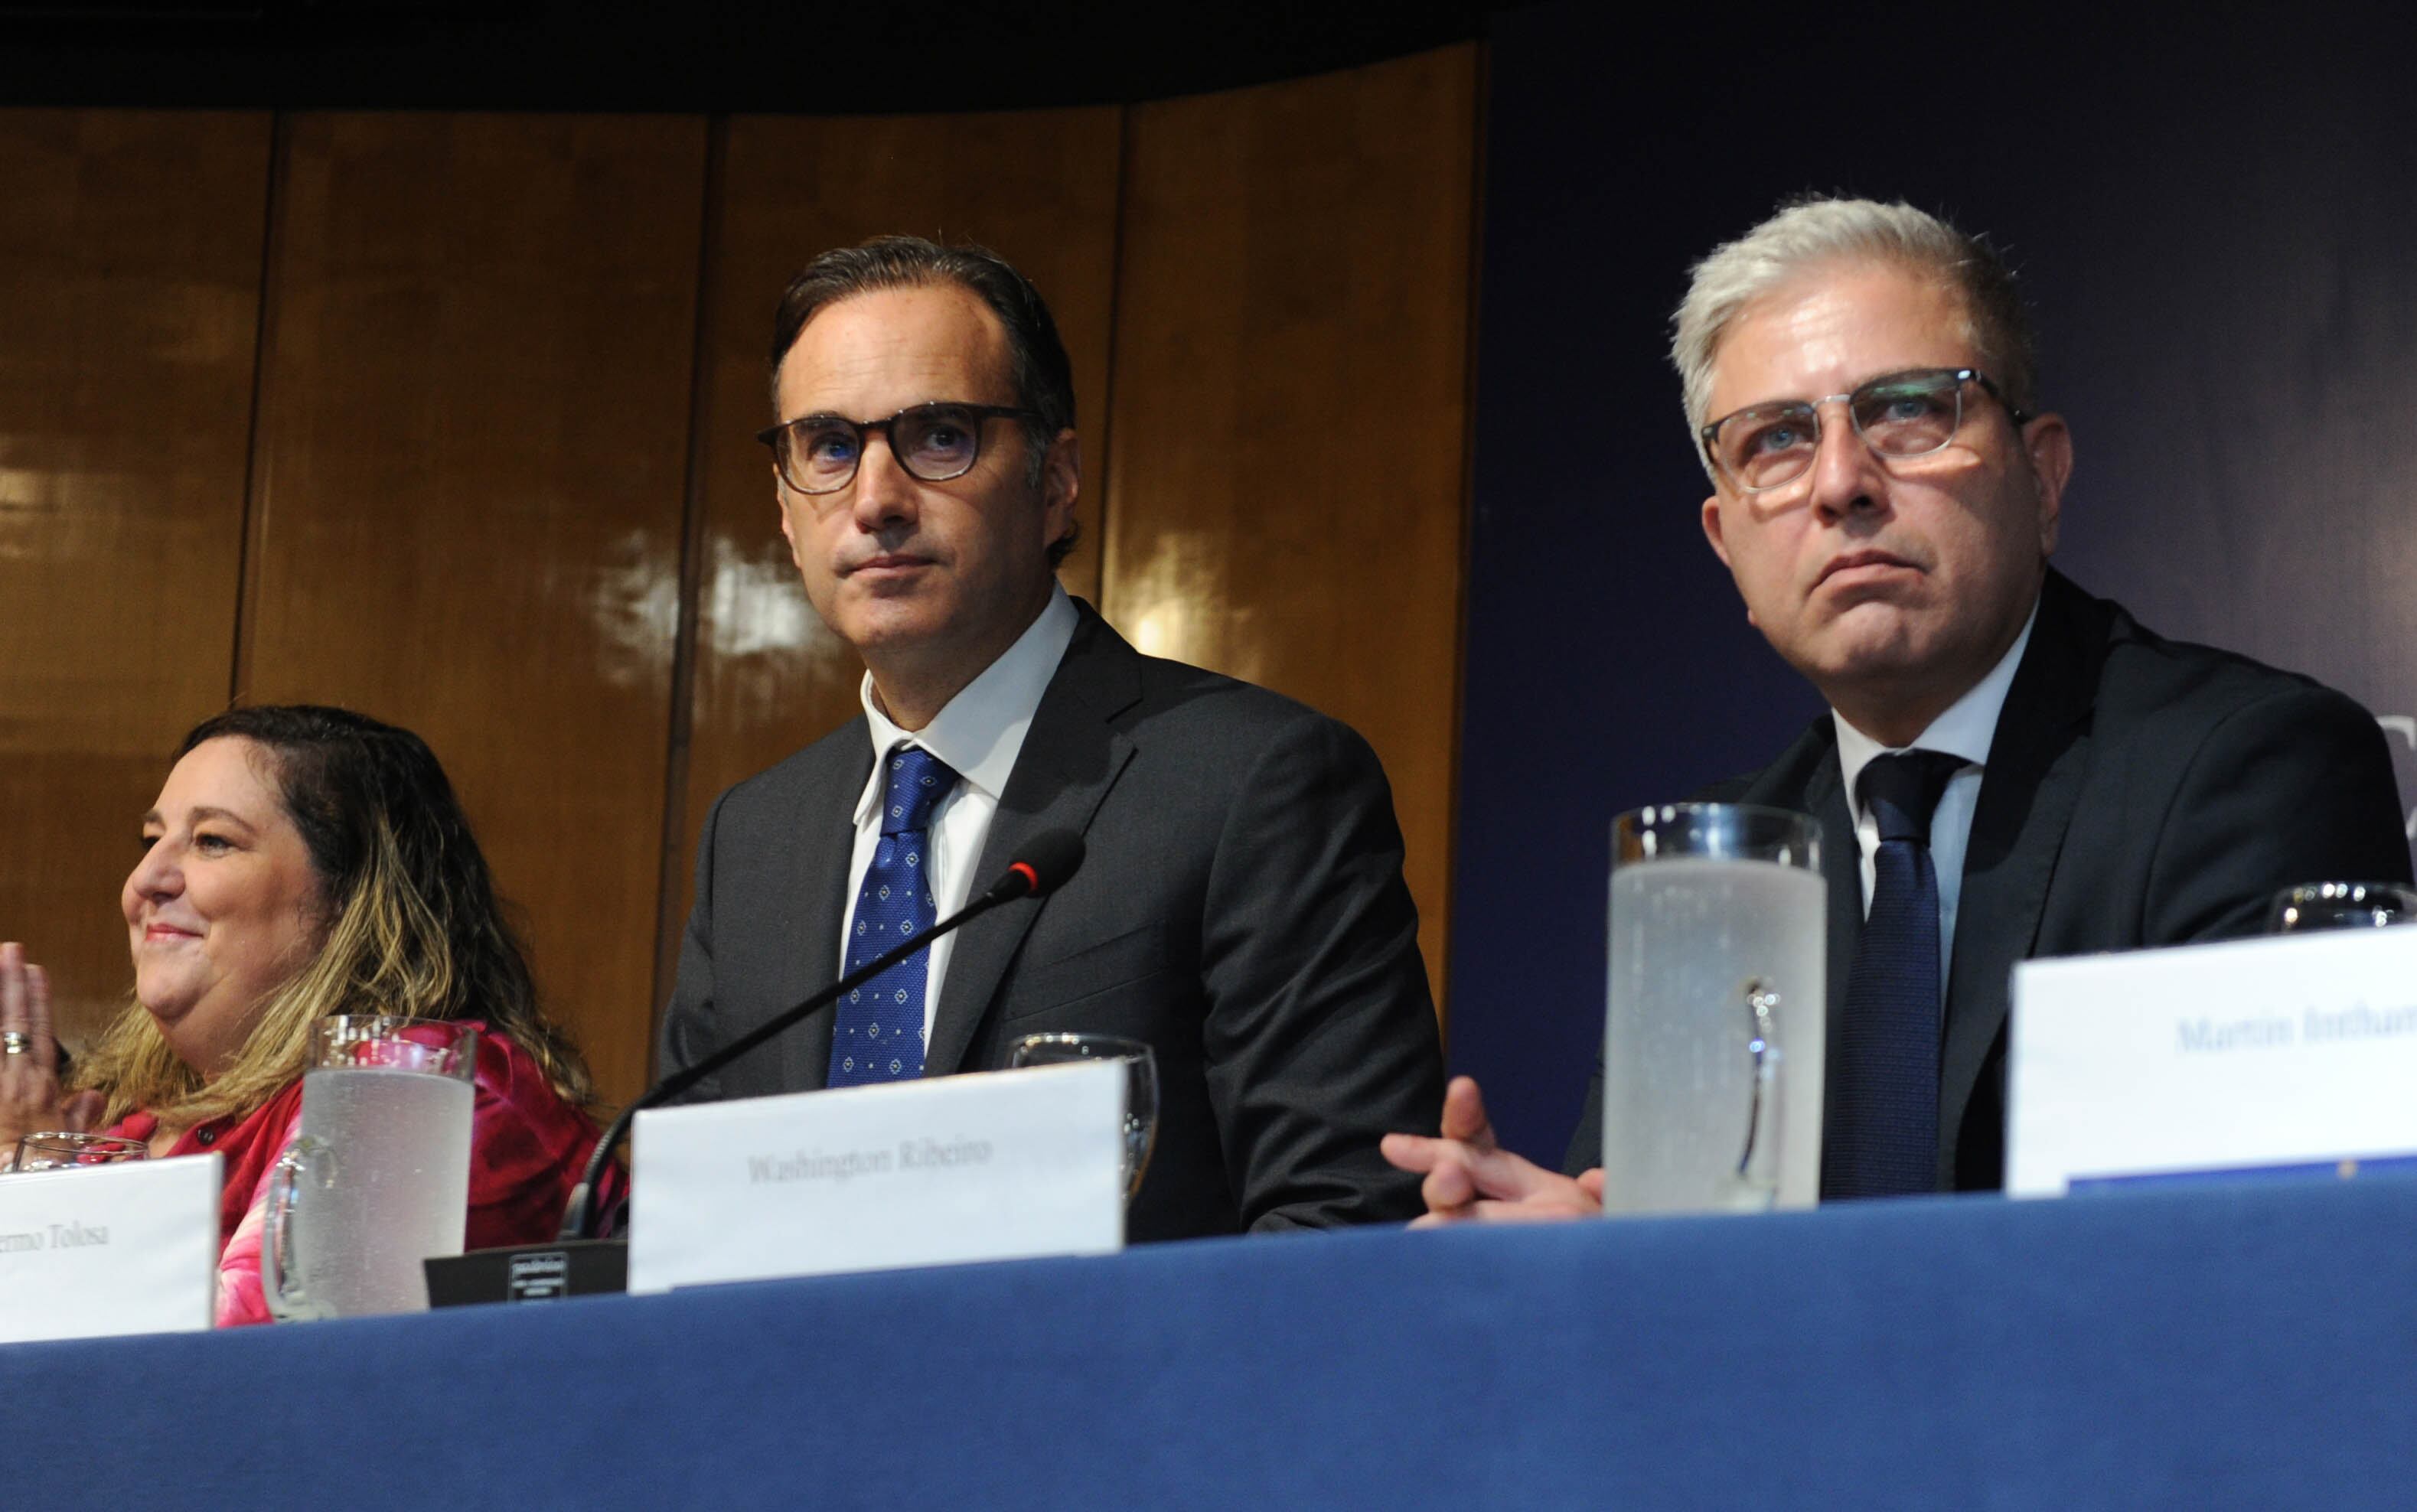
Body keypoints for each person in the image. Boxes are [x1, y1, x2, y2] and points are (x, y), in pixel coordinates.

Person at [1385, 196, 2410, 1218]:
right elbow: (1667, 1237)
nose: (1840, 483)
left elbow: (2262, 1245)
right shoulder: (1724, 867)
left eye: (1908, 409)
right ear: (1725, 546)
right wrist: (1594, 1257)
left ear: (2042, 477)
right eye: (1775, 438)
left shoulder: (2247, 770)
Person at [658, 236, 1443, 1240]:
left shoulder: (1252, 784)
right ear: (783, 507)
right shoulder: (753, 837)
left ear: (1056, 480)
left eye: (939, 435)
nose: (875, 500)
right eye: (830, 447)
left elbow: (1343, 1219)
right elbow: (683, 1227)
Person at [0, 705, 616, 1323]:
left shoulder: (422, 1085)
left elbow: (248, 1352)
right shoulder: (121, 1122)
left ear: (349, 895)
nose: (145, 879)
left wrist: (37, 1187)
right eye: (150, 840)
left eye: (213, 841)